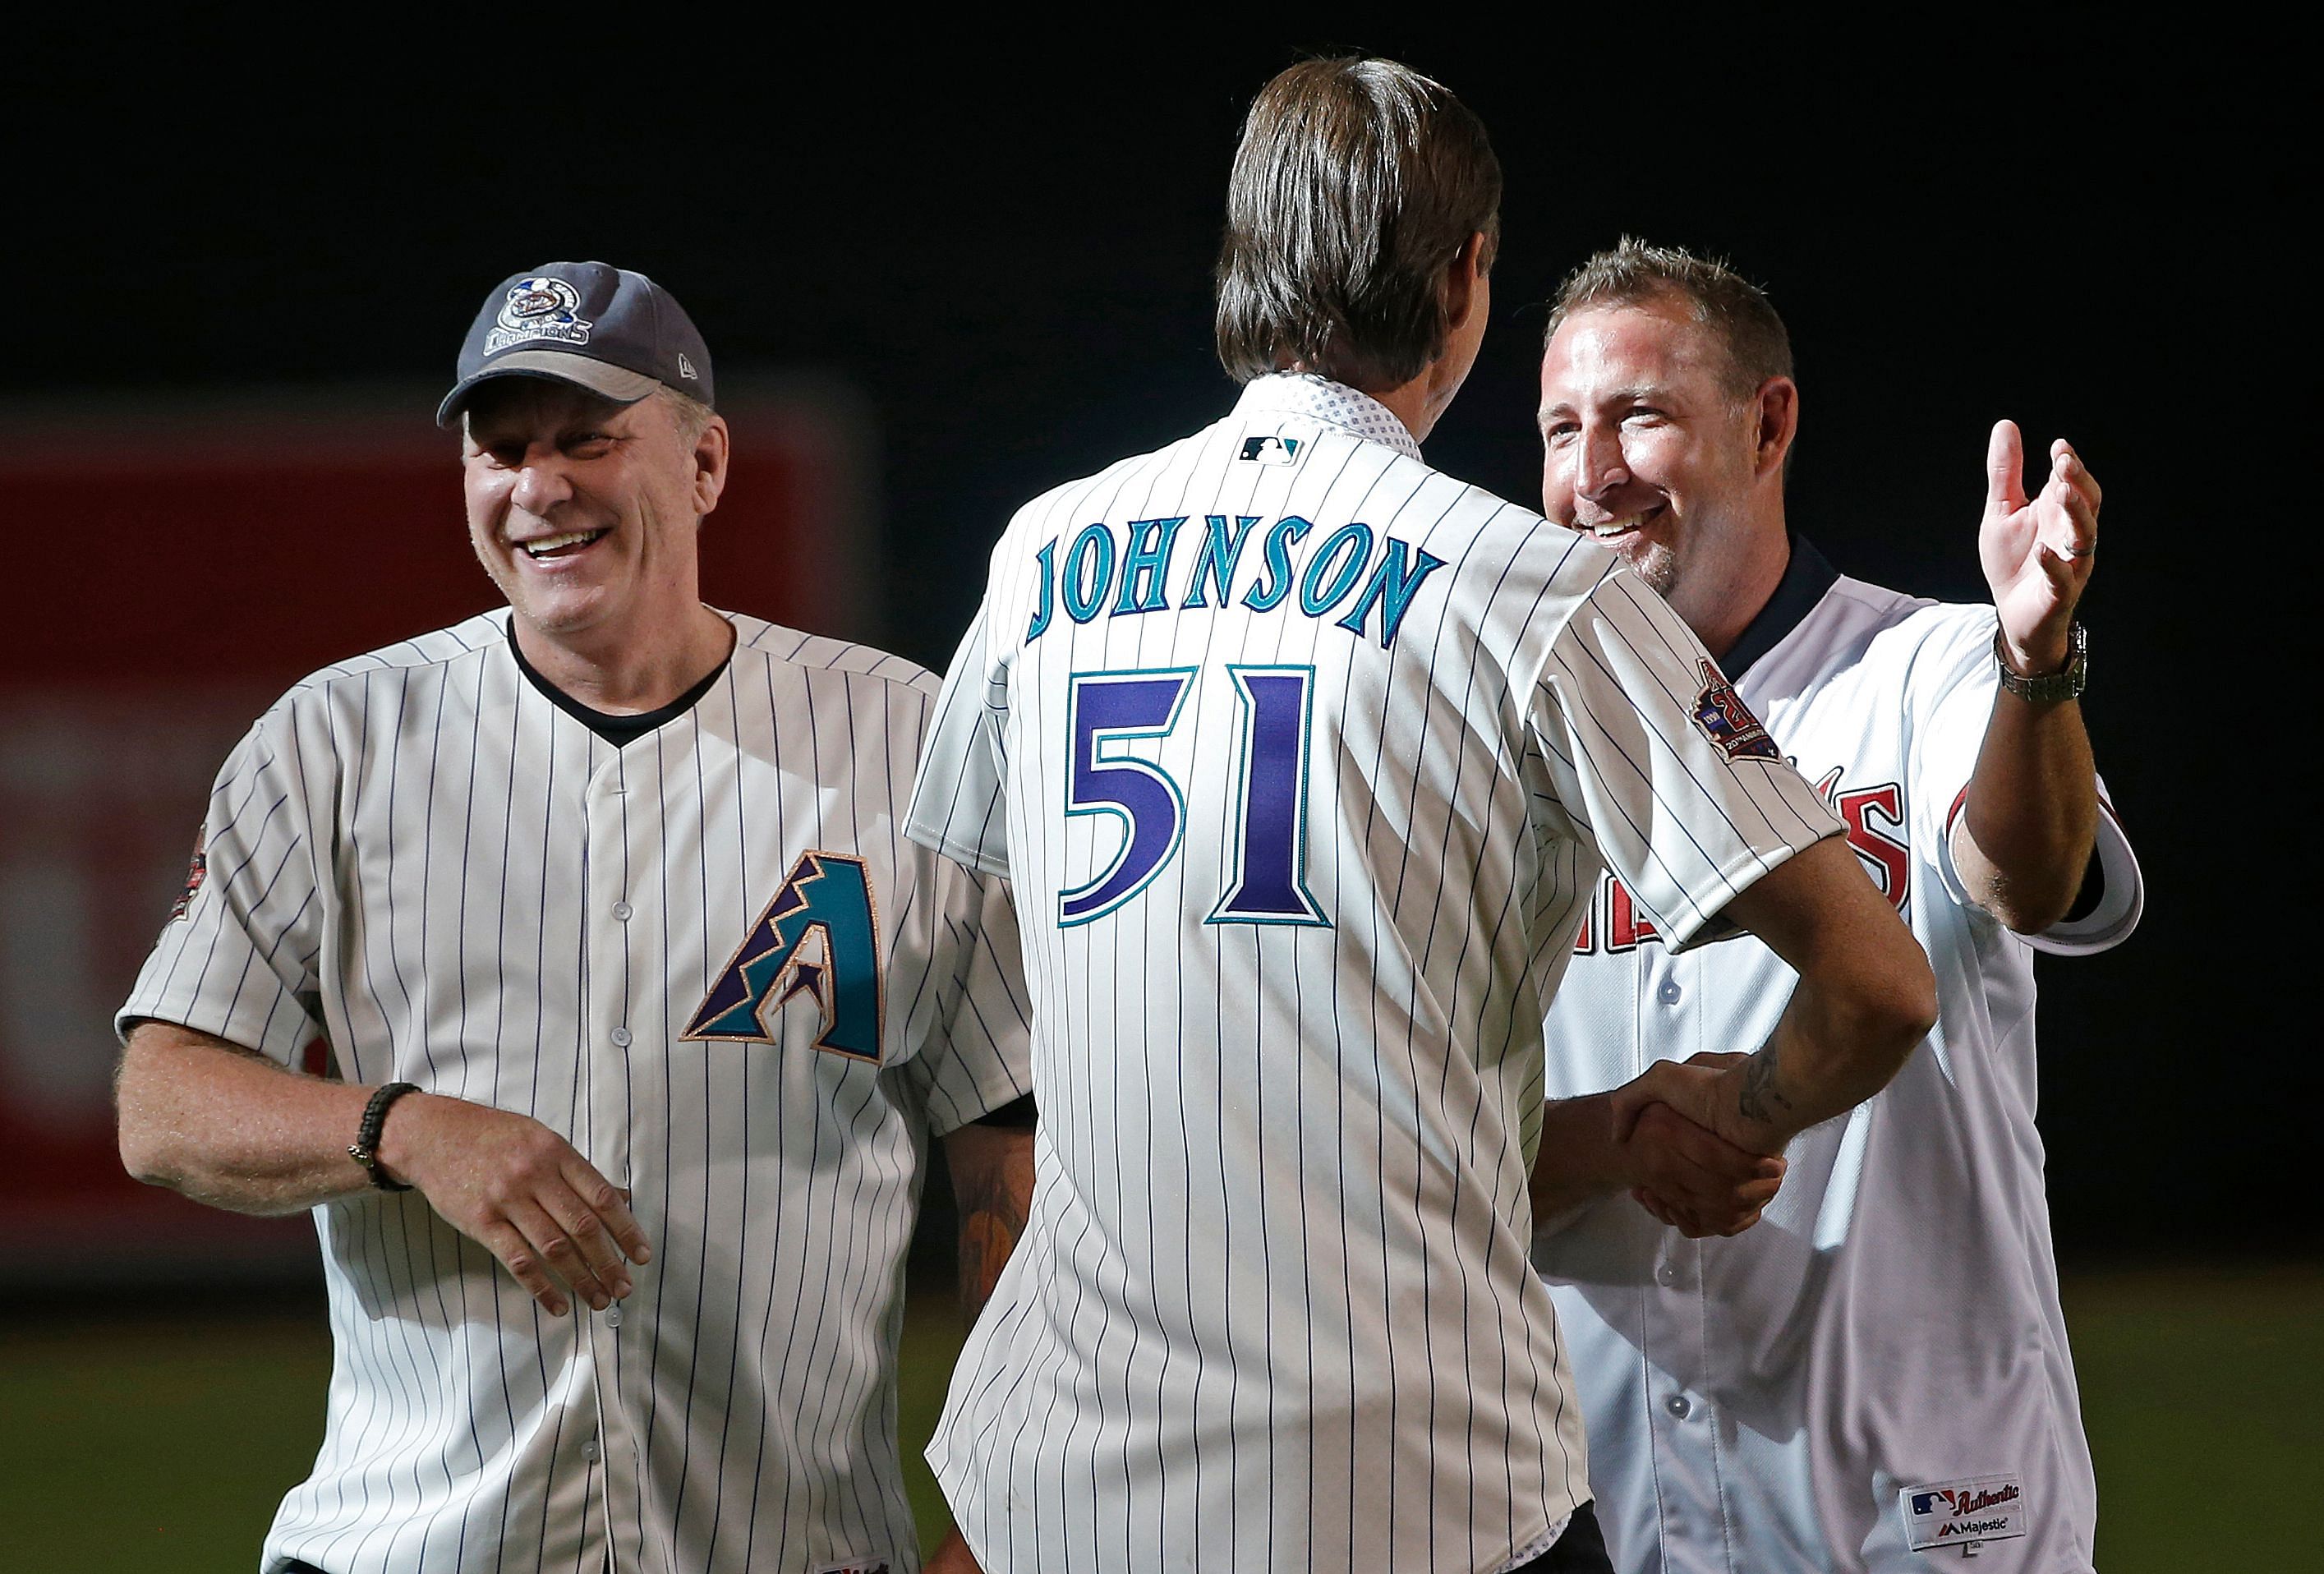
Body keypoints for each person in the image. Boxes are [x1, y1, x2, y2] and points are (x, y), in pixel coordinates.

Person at [901, 62, 1937, 1574]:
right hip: (1414, 1477)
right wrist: (1735, 1111)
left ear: (1242, 262)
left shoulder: (1039, 553)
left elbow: (967, 988)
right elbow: (1880, 984)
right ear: (1465, 278)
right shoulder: (1533, 583)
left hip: (1070, 1480)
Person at [113, 260, 1035, 1574]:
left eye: (588, 438)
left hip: (790, 1545)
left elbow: (1015, 1153)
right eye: (500, 448)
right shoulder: (338, 739)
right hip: (413, 1548)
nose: (537, 487)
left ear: (705, 462)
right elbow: (163, 1103)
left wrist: (999, 1520)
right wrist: (405, 1129)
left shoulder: (901, 736)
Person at [1529, 239, 2139, 1572]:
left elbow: (2020, 876)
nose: (1593, 473)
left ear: (1767, 421)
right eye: (1560, 428)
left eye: (1638, 412)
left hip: (1921, 1511)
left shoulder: (1917, 664)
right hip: (1607, 1515)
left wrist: (2035, 668)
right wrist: (1625, 1134)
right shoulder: (1515, 752)